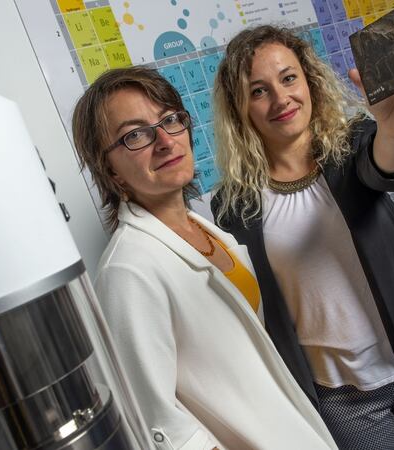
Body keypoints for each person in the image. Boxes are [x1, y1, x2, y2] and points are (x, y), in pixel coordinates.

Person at [211, 21, 394, 450]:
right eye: (258, 90)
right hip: (341, 399)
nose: (280, 98)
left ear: (309, 81)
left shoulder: (355, 143)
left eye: (288, 78)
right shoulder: (234, 205)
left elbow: (385, 168)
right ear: (240, 107)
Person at [71, 66, 338, 450]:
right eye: (134, 136)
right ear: (110, 170)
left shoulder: (209, 231)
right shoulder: (128, 270)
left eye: (170, 120)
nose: (164, 141)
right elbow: (155, 421)